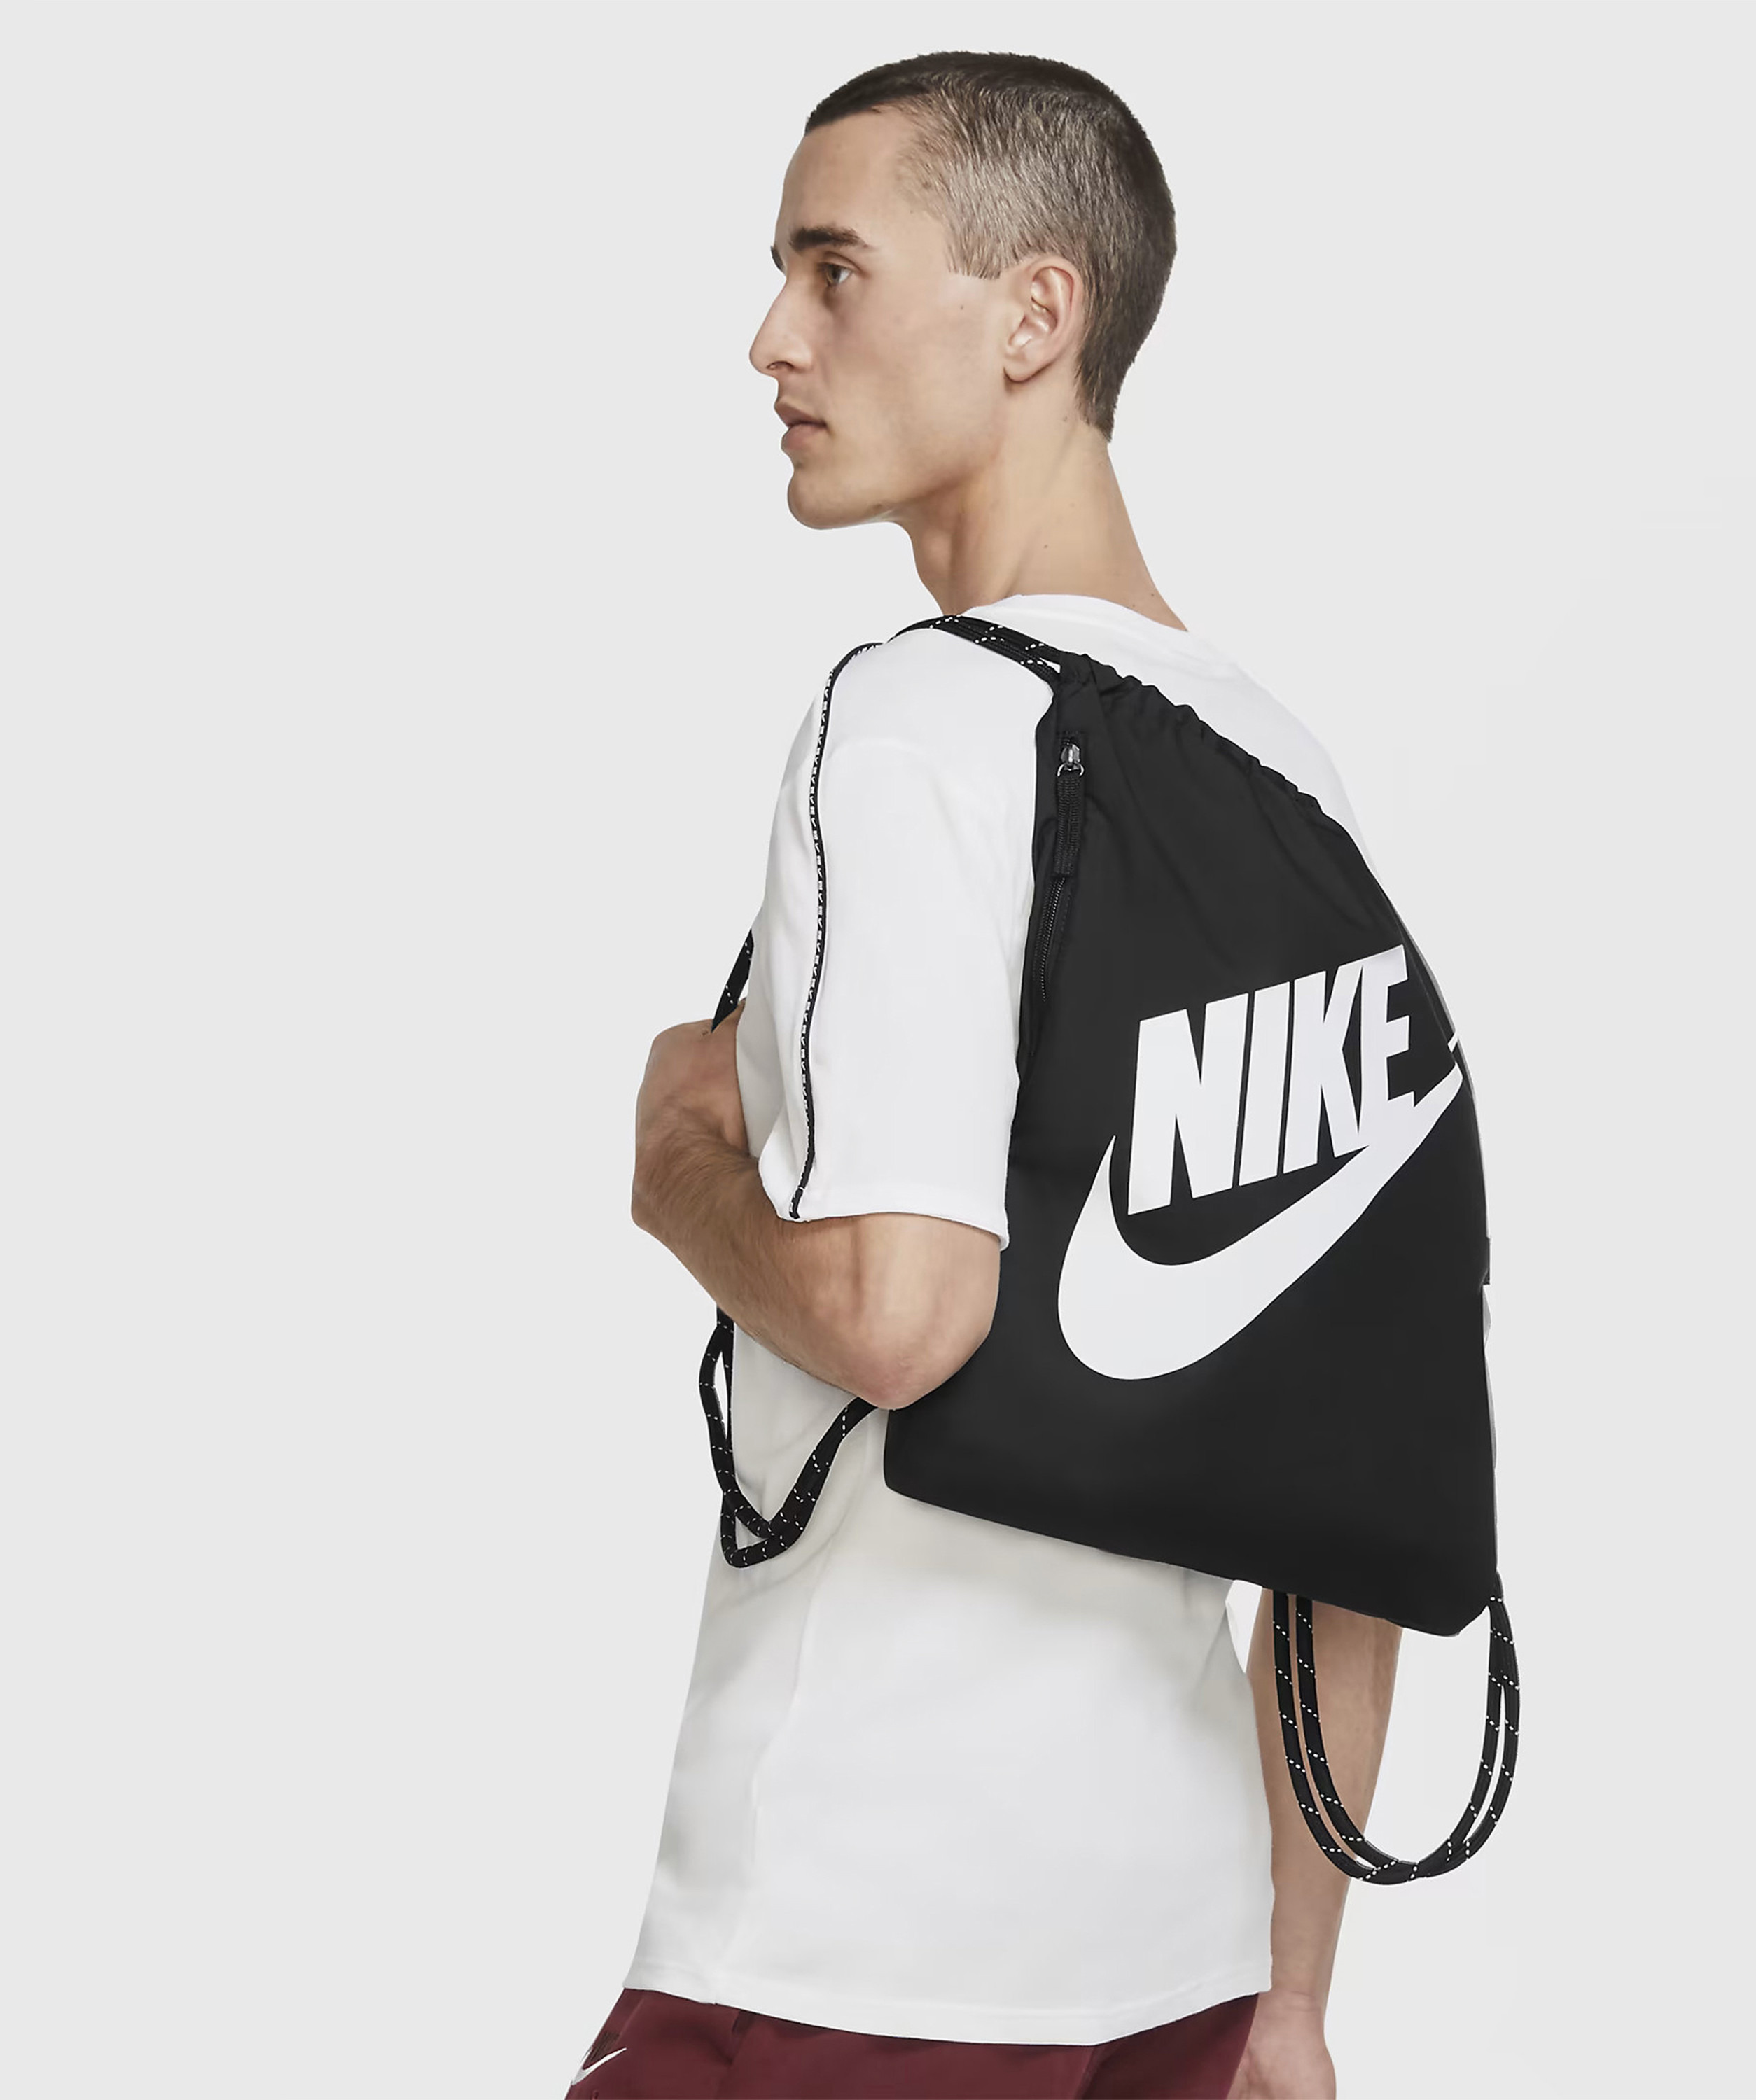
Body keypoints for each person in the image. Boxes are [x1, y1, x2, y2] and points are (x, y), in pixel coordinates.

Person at [581, 50, 1405, 2100]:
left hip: (852, 1944)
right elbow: (1355, 1480)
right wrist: (1293, 2000)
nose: (771, 339)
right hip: (1177, 1961)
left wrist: (681, 1161)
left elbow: (898, 1312)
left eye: (834, 270)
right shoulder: (1289, 785)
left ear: (1037, 315)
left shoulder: (918, 727)